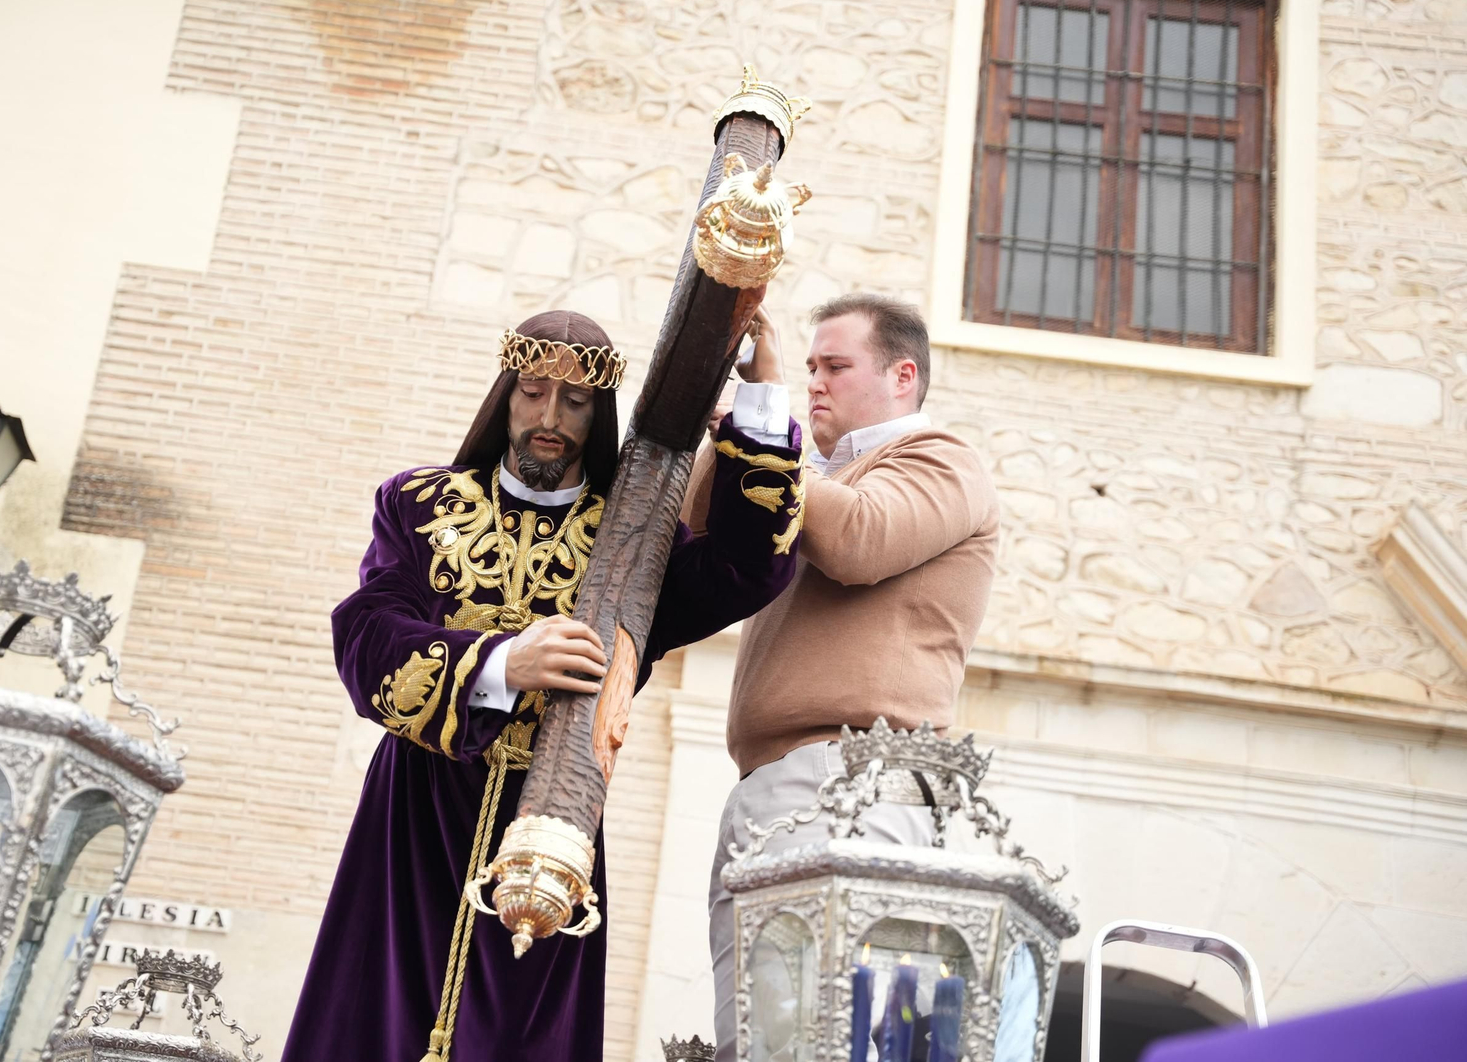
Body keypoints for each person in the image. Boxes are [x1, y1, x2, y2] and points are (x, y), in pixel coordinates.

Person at [282, 309, 803, 1062]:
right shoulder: (419, 505)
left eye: (575, 401)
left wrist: (763, 399)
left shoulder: (635, 544)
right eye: (531, 393)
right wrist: (500, 664)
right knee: (380, 1021)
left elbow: (747, 567)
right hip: (416, 816)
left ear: (600, 414)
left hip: (556, 814)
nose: (549, 418)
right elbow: (366, 635)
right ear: (505, 397)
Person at [686, 293, 1000, 1062]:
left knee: (814, 1041)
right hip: (776, 788)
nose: (815, 383)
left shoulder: (940, 458)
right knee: (756, 1045)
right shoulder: (813, 474)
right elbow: (696, 532)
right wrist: (742, 425)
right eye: (810, 368)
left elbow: (860, 540)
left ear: (902, 375)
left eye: (835, 366)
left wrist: (767, 418)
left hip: (853, 778)